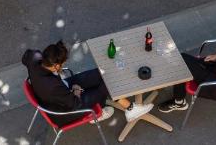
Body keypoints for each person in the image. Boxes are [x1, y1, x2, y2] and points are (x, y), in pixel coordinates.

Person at [22, 41, 154, 126]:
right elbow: (74, 103)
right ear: (56, 66)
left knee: (99, 74)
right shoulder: (52, 87)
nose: (64, 65)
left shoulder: (35, 57)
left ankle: (121, 103)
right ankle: (130, 110)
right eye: (63, 64)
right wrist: (76, 91)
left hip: (61, 89)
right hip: (65, 110)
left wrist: (72, 87)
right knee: (104, 87)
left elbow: (26, 56)